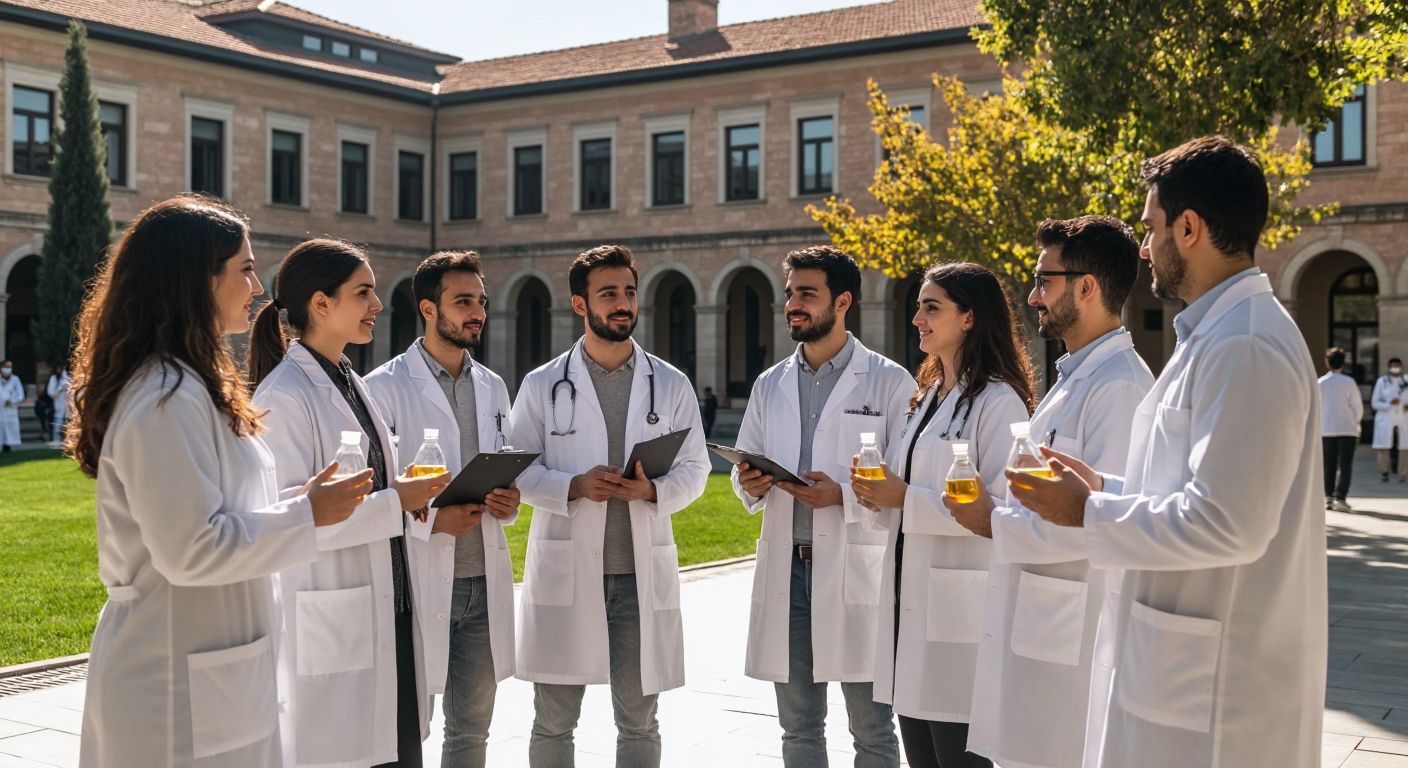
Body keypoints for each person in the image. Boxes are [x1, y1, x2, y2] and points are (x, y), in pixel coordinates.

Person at [1007, 136, 1327, 767]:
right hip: (1180, 674)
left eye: (1151, 228)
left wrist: (1087, 514)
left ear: (1189, 227)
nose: (1144, 247)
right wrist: (1104, 491)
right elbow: (1193, 491)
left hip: (1217, 698)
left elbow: (1228, 523)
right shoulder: (1214, 334)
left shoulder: (1247, 344)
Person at [71, 196, 372, 767]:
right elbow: (191, 550)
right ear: (197, 279)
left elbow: (226, 506)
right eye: (246, 269)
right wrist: (308, 515)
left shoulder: (194, 385)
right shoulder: (163, 397)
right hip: (170, 681)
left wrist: (299, 500)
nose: (257, 287)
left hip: (219, 670)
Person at [946, 219, 1152, 768]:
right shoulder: (1075, 377)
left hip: (1070, 637)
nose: (1033, 296)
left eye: (1044, 281)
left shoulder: (1120, 387)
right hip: (1037, 623)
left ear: (1086, 287)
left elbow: (1100, 521)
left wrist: (992, 522)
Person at [247, 238, 451, 768]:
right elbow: (290, 520)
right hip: (338, 615)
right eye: (364, 293)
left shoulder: (348, 379)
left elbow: (364, 485)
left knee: (400, 750)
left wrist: (406, 497)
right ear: (321, 303)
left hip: (392, 609)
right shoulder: (285, 395)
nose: (378, 307)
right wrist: (394, 500)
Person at [509, 244, 710, 768]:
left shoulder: (669, 383)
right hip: (568, 570)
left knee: (639, 721)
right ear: (580, 305)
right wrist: (572, 486)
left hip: (638, 576)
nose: (622, 304)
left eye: (628, 292)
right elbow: (516, 471)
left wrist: (652, 492)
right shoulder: (540, 385)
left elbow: (695, 469)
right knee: (553, 721)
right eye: (608, 294)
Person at [730, 245, 913, 768]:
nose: (794, 304)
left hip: (857, 568)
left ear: (844, 300)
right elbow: (745, 470)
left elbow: (905, 487)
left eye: (807, 294)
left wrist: (844, 496)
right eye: (790, 294)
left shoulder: (889, 381)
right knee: (798, 727)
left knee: (873, 728)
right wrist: (752, 482)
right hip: (787, 568)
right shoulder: (771, 384)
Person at [849, 262, 1033, 768]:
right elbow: (905, 494)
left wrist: (902, 497)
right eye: (918, 307)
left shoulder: (999, 403)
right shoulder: (927, 397)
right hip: (909, 613)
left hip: (961, 621)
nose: (917, 319)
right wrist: (875, 495)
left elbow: (1003, 513)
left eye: (932, 307)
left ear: (970, 318)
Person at [366, 251, 520, 768]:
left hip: (482, 580)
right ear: (428, 309)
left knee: (471, 731)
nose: (476, 312)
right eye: (462, 302)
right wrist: (434, 520)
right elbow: (370, 494)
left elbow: (502, 465)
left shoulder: (494, 387)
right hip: (419, 581)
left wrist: (509, 499)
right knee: (406, 732)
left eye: (480, 301)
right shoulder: (383, 389)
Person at [1320, 347, 1364, 510]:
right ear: (1343, 363)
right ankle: (1341, 498)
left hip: (1326, 428)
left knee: (1328, 465)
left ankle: (1328, 497)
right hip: (1347, 428)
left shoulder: (1320, 383)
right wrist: (1355, 422)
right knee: (1345, 465)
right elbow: (1357, 407)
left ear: (1327, 362)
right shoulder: (1349, 382)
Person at [1371, 357, 1407, 482]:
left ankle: (1403, 473)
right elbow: (1375, 402)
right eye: (1393, 365)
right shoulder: (1382, 381)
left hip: (1403, 415)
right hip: (1386, 415)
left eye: (1397, 365)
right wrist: (1389, 403)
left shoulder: (1406, 380)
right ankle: (1384, 471)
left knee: (1405, 444)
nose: (1395, 367)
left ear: (1401, 366)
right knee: (1384, 444)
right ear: (1389, 367)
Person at [0, 360, 23, 450]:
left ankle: (8, 447)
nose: (8, 369)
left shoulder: (15, 379)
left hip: (10, 410)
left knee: (10, 432)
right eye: (6, 367)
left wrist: (12, 401)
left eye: (10, 367)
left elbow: (20, 395)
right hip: (1, 409)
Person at [48, 365, 71, 447]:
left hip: (68, 404)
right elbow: (50, 392)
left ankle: (69, 441)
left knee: (69, 422)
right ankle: (56, 441)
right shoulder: (54, 378)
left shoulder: (69, 377)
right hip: (58, 405)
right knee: (58, 422)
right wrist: (60, 389)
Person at [34, 370, 54, 444]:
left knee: (48, 417)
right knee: (44, 418)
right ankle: (44, 432)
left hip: (50, 406)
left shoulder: (49, 387)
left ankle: (47, 433)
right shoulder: (44, 389)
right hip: (43, 407)